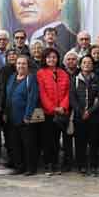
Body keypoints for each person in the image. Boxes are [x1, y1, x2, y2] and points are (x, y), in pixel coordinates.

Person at [36, 47, 70, 175]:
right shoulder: (40, 73)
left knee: (56, 139)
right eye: (49, 57)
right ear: (45, 59)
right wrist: (53, 108)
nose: (52, 59)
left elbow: (68, 92)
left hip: (61, 112)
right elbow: (42, 93)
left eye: (54, 57)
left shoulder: (63, 73)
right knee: (47, 140)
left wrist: (62, 107)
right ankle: (48, 164)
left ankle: (56, 163)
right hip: (47, 113)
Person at [5, 55, 40, 174]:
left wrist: (28, 115)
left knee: (28, 144)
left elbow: (32, 98)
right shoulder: (12, 77)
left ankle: (31, 168)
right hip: (12, 117)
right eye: (19, 63)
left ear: (28, 65)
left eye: (23, 63)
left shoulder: (31, 78)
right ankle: (19, 167)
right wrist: (6, 112)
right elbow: (8, 97)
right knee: (15, 143)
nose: (21, 66)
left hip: (25, 118)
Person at [70, 54, 99, 175]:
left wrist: (89, 111)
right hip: (79, 117)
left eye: (89, 62)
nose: (87, 64)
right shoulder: (75, 79)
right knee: (80, 143)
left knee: (93, 142)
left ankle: (94, 166)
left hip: (93, 117)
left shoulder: (97, 79)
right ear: (80, 65)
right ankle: (81, 166)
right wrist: (81, 111)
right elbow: (72, 98)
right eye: (84, 62)